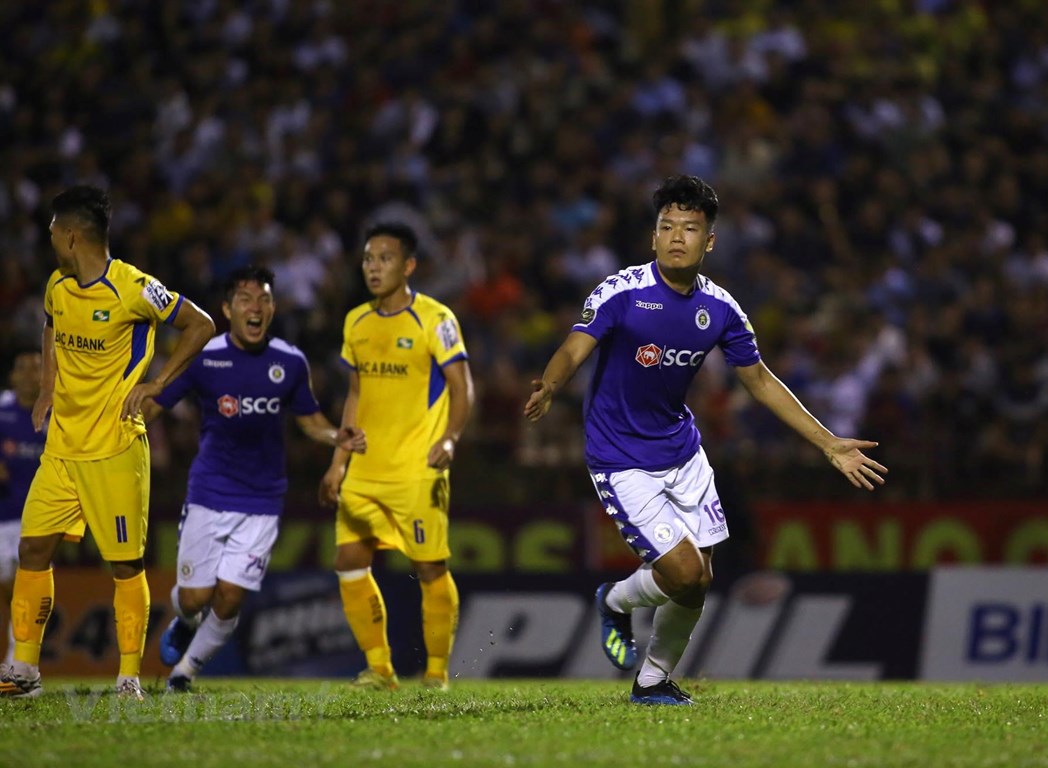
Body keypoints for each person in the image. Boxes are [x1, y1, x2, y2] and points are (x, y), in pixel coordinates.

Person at [524, 175, 888, 705]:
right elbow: (574, 348)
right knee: (684, 571)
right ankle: (617, 601)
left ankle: (651, 681)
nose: (676, 236)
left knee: (698, 581)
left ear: (708, 241)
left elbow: (760, 381)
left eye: (689, 228)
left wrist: (829, 442)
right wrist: (551, 386)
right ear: (653, 237)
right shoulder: (620, 291)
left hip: (682, 451)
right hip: (620, 456)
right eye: (666, 226)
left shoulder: (720, 309)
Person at [0, 185, 215, 699]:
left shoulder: (133, 287)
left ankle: (127, 678)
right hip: (62, 449)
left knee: (124, 564)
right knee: (32, 549)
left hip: (115, 448)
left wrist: (159, 382)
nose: (49, 239)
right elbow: (51, 329)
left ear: (72, 236)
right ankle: (24, 671)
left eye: (53, 231)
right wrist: (48, 387)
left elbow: (200, 324)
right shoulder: (57, 286)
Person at [146, 265, 367, 692]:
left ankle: (183, 674)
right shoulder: (203, 358)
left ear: (273, 308)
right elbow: (158, 404)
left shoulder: (289, 361)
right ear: (228, 309)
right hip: (209, 492)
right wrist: (124, 424)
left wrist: (334, 435)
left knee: (229, 597)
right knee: (196, 598)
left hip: (263, 500)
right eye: (246, 299)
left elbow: (309, 420)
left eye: (264, 299)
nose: (256, 307)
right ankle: (184, 620)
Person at [320, 222, 474, 690]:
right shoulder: (356, 322)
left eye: (384, 259)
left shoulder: (435, 318)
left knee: (429, 567)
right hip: (364, 470)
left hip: (416, 469)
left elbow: (461, 385)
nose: (374, 267)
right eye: (368, 258)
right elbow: (355, 392)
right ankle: (380, 668)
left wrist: (450, 438)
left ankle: (436, 673)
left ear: (408, 266)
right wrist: (338, 461)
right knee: (349, 561)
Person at [0, 348, 45, 668]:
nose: (30, 375)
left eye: (36, 368)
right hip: (3, 515)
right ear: (12, 375)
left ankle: (19, 660)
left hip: (40, 518)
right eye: (23, 368)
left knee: (23, 586)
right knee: (9, 588)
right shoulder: (1, 409)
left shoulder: (56, 413)